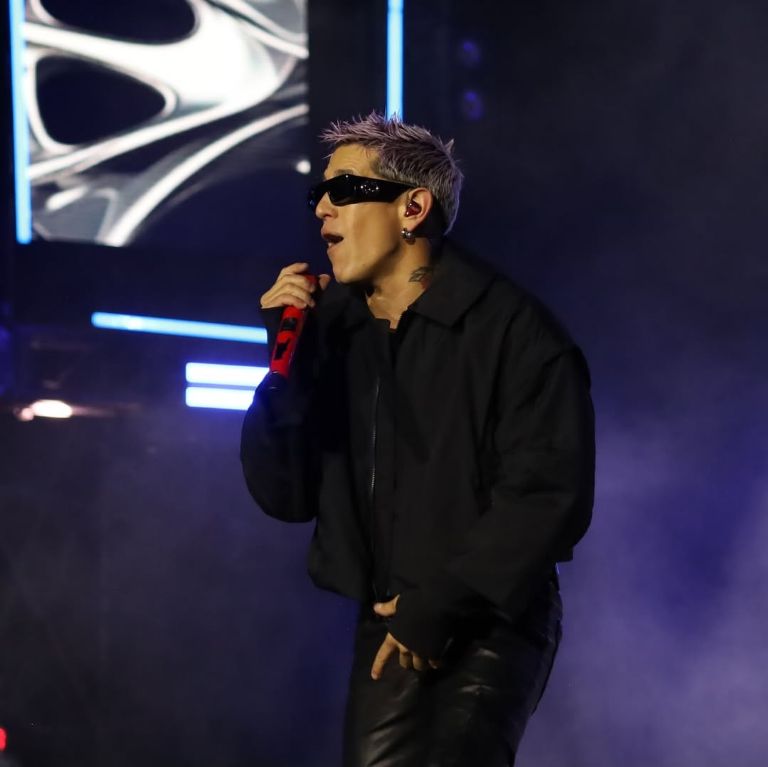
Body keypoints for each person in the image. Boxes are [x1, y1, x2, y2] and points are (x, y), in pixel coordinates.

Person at [240, 112, 595, 767]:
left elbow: (547, 494)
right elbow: (284, 495)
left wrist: (440, 604)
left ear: (412, 207)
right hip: (387, 616)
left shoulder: (513, 332)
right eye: (318, 194)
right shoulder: (331, 328)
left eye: (343, 190)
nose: (321, 209)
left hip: (486, 616)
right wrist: (286, 362)